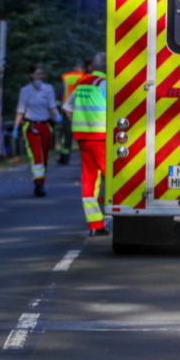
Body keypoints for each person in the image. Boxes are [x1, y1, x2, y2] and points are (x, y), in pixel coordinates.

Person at [63, 53, 108, 235]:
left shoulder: (81, 84)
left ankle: (95, 225)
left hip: (83, 139)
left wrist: (80, 121)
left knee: (89, 180)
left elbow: (66, 108)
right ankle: (120, 217)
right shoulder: (105, 84)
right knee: (113, 178)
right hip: (100, 138)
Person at [13, 65, 61, 197]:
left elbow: (52, 106)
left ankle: (41, 180)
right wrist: (16, 127)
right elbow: (20, 110)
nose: (40, 77)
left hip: (45, 125)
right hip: (31, 126)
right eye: (37, 74)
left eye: (42, 74)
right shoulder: (25, 91)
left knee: (44, 156)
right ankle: (38, 183)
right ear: (31, 75)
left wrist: (57, 115)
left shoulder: (48, 89)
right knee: (36, 156)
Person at [57, 61, 85, 165]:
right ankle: (84, 158)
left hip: (67, 109)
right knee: (82, 134)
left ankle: (64, 158)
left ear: (74, 67)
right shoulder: (85, 76)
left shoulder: (66, 77)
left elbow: (60, 93)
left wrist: (59, 107)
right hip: (81, 110)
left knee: (67, 135)